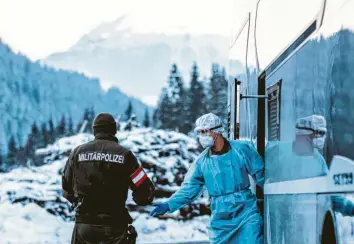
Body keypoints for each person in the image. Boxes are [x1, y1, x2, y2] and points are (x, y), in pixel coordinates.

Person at [150, 113, 264, 244]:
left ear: (216, 131)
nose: (201, 136)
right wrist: (169, 204)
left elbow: (261, 174)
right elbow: (189, 189)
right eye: (199, 132)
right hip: (221, 219)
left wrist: (276, 200)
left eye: (204, 131)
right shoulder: (201, 162)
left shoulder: (242, 150)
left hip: (246, 213)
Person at [62, 112, 155, 244]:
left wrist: (77, 202)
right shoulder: (125, 155)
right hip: (115, 227)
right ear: (114, 130)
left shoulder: (77, 153)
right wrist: (142, 200)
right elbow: (144, 189)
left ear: (94, 130)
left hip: (85, 226)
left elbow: (66, 187)